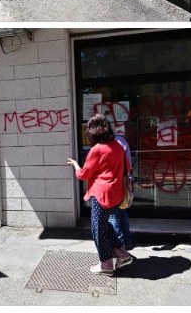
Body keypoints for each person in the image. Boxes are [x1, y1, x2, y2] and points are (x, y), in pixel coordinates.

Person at [68, 114, 133, 275]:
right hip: (116, 194)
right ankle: (122, 255)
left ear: (92, 132)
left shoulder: (96, 150)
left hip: (102, 196)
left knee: (98, 229)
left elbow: (84, 174)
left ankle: (106, 264)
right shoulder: (117, 145)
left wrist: (76, 165)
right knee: (106, 225)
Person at [110, 132, 135, 250]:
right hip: (124, 181)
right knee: (122, 211)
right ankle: (127, 239)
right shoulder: (123, 141)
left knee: (113, 214)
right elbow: (128, 164)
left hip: (114, 183)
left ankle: (119, 243)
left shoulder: (112, 144)